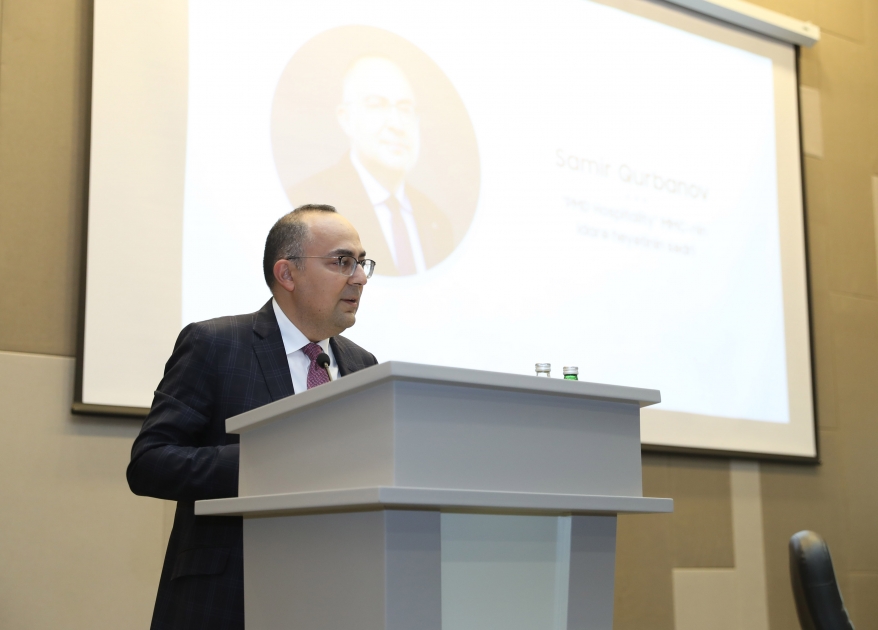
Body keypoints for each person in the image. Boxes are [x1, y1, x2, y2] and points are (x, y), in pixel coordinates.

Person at [127, 204, 378, 630]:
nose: (360, 278)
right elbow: (150, 464)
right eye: (342, 261)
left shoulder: (362, 365)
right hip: (227, 600)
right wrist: (269, 462)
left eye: (362, 263)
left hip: (334, 597)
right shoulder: (215, 344)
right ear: (287, 273)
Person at [286, 56, 454, 276]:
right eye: (376, 105)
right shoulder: (307, 212)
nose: (397, 124)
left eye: (405, 108)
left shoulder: (436, 220)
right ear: (345, 118)